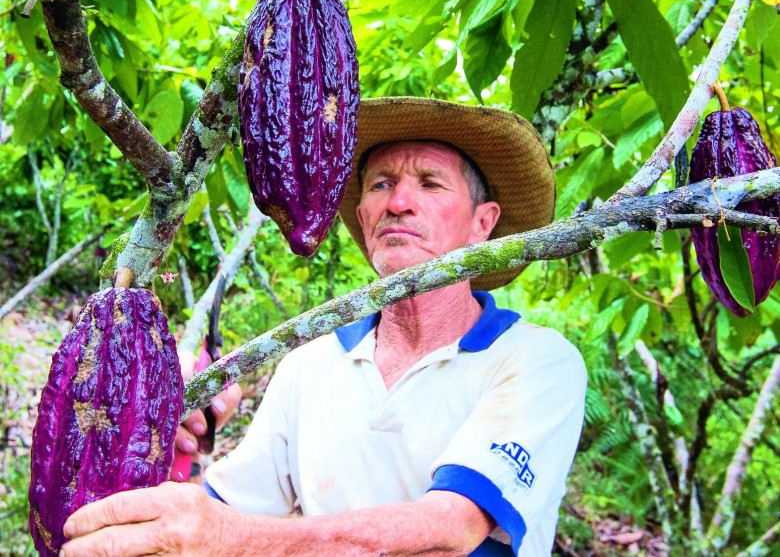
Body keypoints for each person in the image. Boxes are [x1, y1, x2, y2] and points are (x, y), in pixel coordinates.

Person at [60, 98, 587, 556]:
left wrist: (227, 539)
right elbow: (222, 508)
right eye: (382, 184)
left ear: (484, 222)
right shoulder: (310, 364)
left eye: (429, 183)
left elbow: (449, 532)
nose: (398, 203)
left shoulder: (536, 361)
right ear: (362, 215)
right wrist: (161, 445)